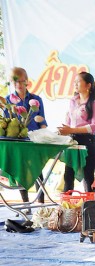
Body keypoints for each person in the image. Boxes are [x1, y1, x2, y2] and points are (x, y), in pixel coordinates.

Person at [4, 67, 48, 204]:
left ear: (27, 81)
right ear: (12, 82)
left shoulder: (36, 99)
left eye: (22, 81)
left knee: (38, 171)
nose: (19, 85)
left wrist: (44, 135)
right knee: (21, 172)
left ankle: (40, 203)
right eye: (16, 82)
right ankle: (25, 204)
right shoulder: (8, 100)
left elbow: (43, 122)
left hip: (35, 141)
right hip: (17, 142)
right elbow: (6, 123)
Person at [57, 72, 95, 192]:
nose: (75, 84)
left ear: (88, 85)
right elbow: (70, 120)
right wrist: (64, 130)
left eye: (78, 81)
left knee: (88, 177)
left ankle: (89, 209)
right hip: (72, 141)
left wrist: (72, 130)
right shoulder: (73, 101)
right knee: (68, 175)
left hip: (87, 141)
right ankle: (66, 207)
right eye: (75, 82)